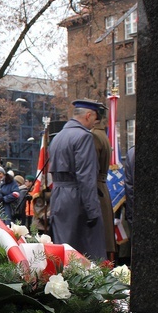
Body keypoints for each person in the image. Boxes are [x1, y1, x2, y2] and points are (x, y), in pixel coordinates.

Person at [48, 99, 105, 260]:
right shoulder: (84, 137)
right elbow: (86, 176)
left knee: (62, 251)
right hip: (77, 199)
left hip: (58, 197)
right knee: (86, 257)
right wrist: (93, 210)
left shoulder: (57, 137)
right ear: (88, 116)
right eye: (95, 119)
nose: (94, 123)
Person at [90, 110, 116, 261]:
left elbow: (91, 167)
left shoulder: (93, 136)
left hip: (96, 189)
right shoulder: (102, 135)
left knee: (97, 241)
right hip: (102, 187)